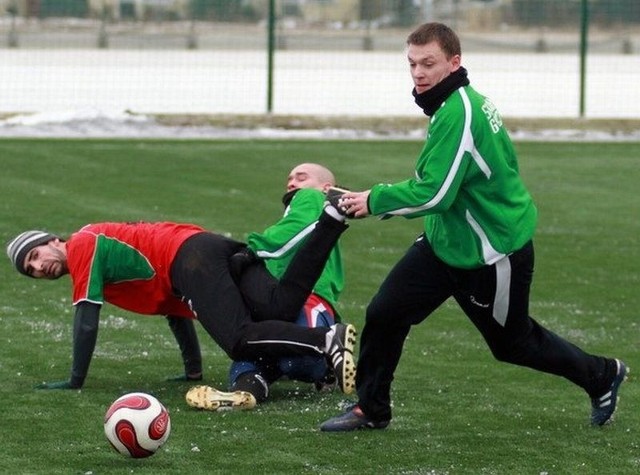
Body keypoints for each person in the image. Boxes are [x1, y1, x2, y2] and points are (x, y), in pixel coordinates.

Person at [319, 22, 627, 431]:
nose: (419, 72)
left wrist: (370, 200)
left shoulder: (460, 112)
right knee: (385, 313)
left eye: (429, 63)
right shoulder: (450, 105)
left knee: (512, 344)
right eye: (412, 63)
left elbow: (436, 193)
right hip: (447, 241)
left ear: (454, 61)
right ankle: (371, 409)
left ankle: (602, 374)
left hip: (493, 252)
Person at [6, 204, 357, 398]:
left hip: (188, 258)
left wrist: (75, 381)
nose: (39, 266)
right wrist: (193, 370)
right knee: (277, 308)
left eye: (36, 255)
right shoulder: (103, 264)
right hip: (201, 248)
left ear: (54, 241)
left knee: (239, 340)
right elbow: (173, 310)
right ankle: (330, 223)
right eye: (31, 269)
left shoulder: (81, 245)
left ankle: (326, 341)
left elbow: (86, 318)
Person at [186, 163, 348, 409]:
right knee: (255, 354)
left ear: (326, 188)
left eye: (301, 177)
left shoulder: (313, 198)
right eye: (290, 178)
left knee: (295, 361)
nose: (292, 182)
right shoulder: (306, 203)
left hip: (310, 297)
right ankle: (247, 392)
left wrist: (253, 250)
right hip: (282, 299)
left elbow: (301, 224)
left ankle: (326, 366)